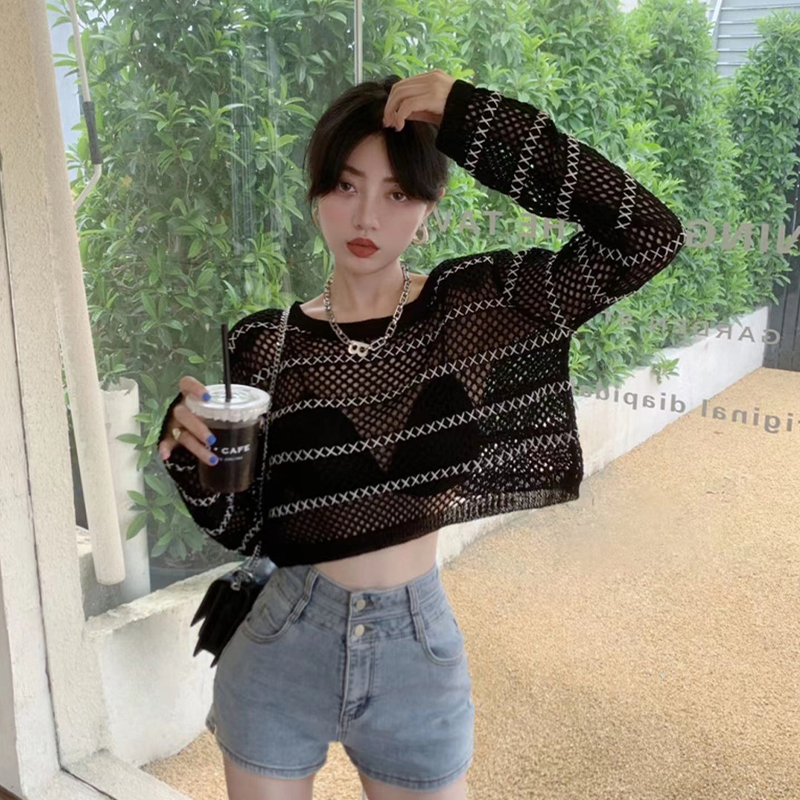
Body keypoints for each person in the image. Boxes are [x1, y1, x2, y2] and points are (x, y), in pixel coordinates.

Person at [158, 69, 685, 799]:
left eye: (397, 193)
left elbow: (647, 234)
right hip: (281, 644)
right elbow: (240, 528)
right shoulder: (266, 346)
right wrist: (190, 452)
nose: (366, 216)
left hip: (416, 653)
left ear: (429, 209)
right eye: (345, 186)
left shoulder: (474, 311)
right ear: (316, 195)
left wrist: (476, 119)